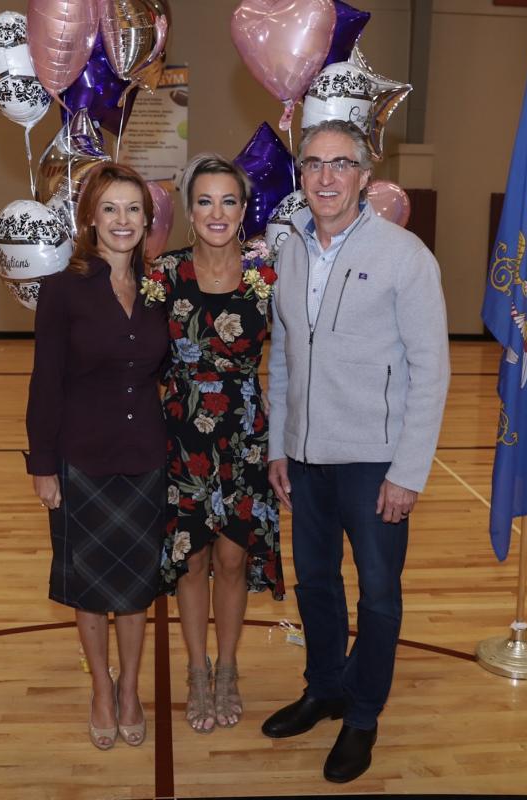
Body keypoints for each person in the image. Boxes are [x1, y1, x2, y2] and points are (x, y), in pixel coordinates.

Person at [262, 120, 450, 782]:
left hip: (376, 464)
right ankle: (325, 688)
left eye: (341, 164)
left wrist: (409, 472)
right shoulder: (289, 253)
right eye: (313, 164)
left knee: (377, 595)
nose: (325, 177)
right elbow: (284, 356)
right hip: (306, 462)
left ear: (366, 177)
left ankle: (364, 714)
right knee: (314, 582)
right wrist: (280, 444)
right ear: (302, 176)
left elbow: (432, 369)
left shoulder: (406, 256)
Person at [25, 163, 168, 751]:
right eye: (110, 208)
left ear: (147, 219)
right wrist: (43, 467)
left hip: (146, 461)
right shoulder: (63, 290)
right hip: (82, 460)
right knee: (90, 589)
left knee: (134, 590)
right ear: (89, 216)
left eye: (134, 209)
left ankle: (131, 690)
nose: (123, 220)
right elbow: (45, 384)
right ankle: (101, 693)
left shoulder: (162, 288)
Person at [154, 153, 285, 734]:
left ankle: (229, 667)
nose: (216, 212)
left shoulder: (265, 273)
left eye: (228, 200)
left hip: (243, 433)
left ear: (243, 209)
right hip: (180, 432)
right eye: (204, 200)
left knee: (233, 557)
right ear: (189, 210)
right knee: (193, 557)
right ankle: (197, 670)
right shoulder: (163, 275)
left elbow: (289, 362)